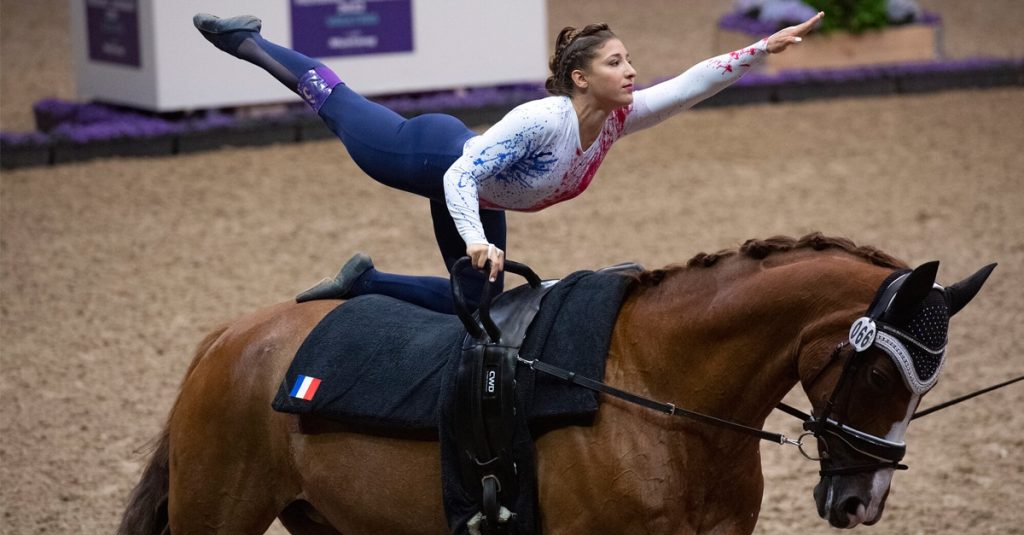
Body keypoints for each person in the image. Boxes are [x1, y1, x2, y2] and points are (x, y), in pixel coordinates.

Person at [193, 11, 824, 314]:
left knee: (480, 305)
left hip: (477, 191)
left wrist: (763, 48)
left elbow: (691, 83)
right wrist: (475, 240)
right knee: (336, 103)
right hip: (428, 156)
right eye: (615, 63)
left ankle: (364, 283)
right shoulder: (542, 119)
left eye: (630, 60)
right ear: (579, 77)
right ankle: (245, 42)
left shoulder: (616, 121)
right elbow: (459, 177)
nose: (631, 71)